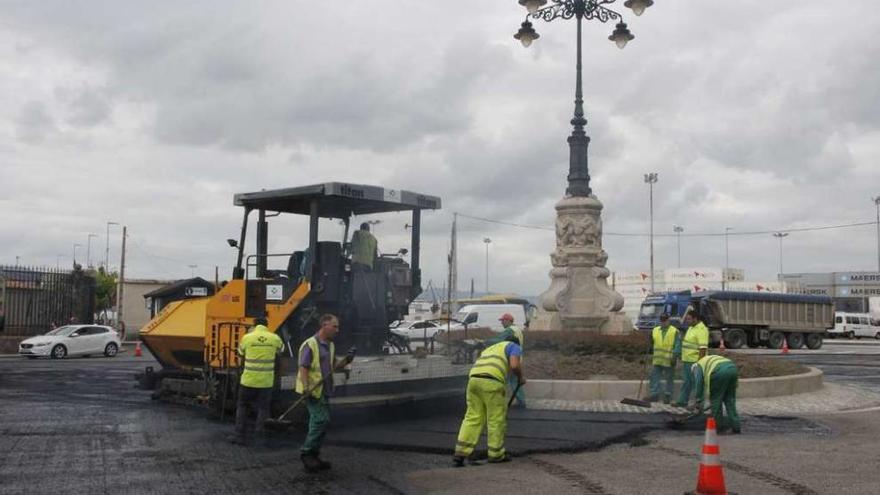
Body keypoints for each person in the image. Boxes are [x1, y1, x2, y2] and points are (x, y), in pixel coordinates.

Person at [453, 334, 525, 467]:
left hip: (473, 381)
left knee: (472, 417)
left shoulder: (490, 349)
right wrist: (520, 377)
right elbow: (514, 365)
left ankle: (460, 452)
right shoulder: (514, 346)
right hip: (491, 382)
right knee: (495, 419)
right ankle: (496, 454)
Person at [297, 314, 355, 472]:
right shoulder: (310, 344)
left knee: (320, 422)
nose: (337, 329)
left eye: (338, 326)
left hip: (325, 389)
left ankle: (314, 455)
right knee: (321, 421)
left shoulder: (330, 345)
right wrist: (306, 387)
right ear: (324, 325)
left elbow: (334, 365)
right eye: (334, 326)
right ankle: (307, 453)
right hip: (313, 391)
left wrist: (347, 360)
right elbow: (303, 367)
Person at [228, 316, 284, 445]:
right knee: (263, 408)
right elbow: (281, 353)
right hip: (266, 381)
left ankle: (239, 435)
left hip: (248, 380)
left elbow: (241, 354)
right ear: (266, 325)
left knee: (242, 406)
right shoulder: (274, 338)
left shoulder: (247, 338)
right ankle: (259, 435)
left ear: (254, 325)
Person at [692, 354, 741, 434]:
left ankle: (718, 427)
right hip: (732, 369)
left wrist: (698, 401)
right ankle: (736, 427)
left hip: (718, 372)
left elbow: (699, 384)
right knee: (730, 401)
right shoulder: (708, 360)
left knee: (716, 403)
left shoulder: (698, 367)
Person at [485, 313, 526, 408]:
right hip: (517, 356)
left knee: (507, 380)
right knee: (514, 380)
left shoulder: (509, 330)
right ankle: (521, 401)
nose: (502, 323)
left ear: (508, 321)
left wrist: (484, 342)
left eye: (502, 321)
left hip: (511, 358)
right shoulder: (517, 330)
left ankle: (518, 402)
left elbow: (498, 340)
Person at [675, 310, 709, 408]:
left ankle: (699, 404)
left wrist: (699, 363)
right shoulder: (691, 328)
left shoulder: (702, 330)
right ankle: (682, 401)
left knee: (697, 384)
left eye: (689, 319)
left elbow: (703, 348)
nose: (687, 321)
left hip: (695, 362)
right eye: (687, 319)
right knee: (686, 381)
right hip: (687, 360)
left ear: (695, 319)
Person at [647, 313, 680, 404]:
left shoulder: (674, 331)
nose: (663, 322)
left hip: (669, 360)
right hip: (657, 360)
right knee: (654, 377)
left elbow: (678, 345)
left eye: (665, 320)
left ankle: (668, 396)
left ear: (668, 320)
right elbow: (652, 342)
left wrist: (675, 356)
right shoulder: (655, 330)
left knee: (669, 378)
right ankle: (654, 395)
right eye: (662, 320)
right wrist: (649, 344)